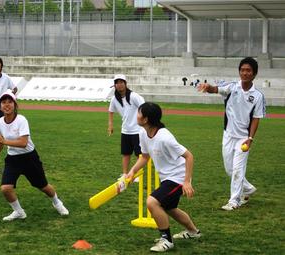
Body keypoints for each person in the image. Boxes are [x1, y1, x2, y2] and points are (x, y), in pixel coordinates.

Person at [126, 102, 201, 253]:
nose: (137, 115)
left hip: (178, 177)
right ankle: (194, 232)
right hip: (167, 177)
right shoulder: (143, 133)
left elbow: (189, 156)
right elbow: (145, 157)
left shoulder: (165, 137)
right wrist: (132, 171)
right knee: (169, 208)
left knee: (152, 202)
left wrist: (186, 182)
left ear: (146, 119)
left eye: (139, 113)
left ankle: (166, 240)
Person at [197, 57, 266, 211]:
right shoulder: (232, 87)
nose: (245, 73)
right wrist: (207, 87)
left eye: (248, 70)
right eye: (242, 70)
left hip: (243, 139)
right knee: (229, 169)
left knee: (237, 170)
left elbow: (256, 119)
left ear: (254, 74)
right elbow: (215, 89)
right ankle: (247, 189)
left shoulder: (258, 96)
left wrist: (250, 139)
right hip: (228, 135)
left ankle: (234, 201)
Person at [0, 92, 69, 221]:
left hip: (29, 157)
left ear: (15, 105)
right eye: (3, 102)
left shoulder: (21, 120)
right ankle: (19, 212)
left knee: (43, 186)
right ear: (0, 107)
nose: (7, 105)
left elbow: (23, 143)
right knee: (5, 188)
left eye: (10, 102)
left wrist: (4, 142)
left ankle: (57, 202)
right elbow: (0, 140)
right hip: (12, 159)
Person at [108, 74, 145, 179]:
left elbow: (143, 106)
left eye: (121, 82)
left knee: (139, 155)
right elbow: (110, 111)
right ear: (114, 85)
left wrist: (142, 121)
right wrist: (110, 125)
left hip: (138, 131)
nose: (119, 85)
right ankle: (125, 174)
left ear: (125, 84)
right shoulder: (114, 99)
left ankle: (137, 174)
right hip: (125, 131)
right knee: (126, 153)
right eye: (117, 83)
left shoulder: (133, 96)